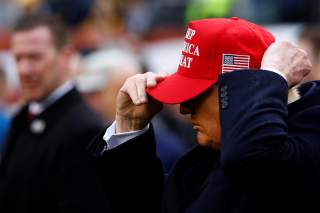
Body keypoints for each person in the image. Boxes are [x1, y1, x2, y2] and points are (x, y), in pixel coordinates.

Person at [89, 17, 319, 213]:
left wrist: (271, 77)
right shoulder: (201, 161)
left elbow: (252, 156)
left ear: (246, 92)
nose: (184, 109)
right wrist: (129, 127)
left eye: (197, 95)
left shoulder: (308, 132)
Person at [0, 14, 111, 212]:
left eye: (35, 57)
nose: (24, 69)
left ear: (66, 56)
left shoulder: (85, 130)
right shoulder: (22, 119)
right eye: (18, 58)